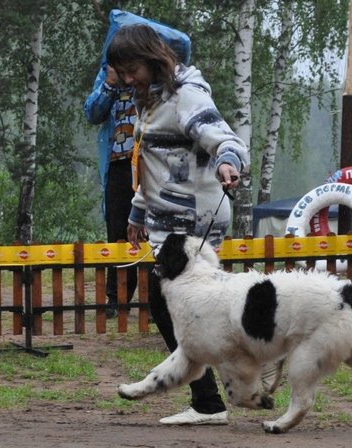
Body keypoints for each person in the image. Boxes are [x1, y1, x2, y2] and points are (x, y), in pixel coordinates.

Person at [105, 23, 250, 426]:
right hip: (168, 218)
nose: (128, 78)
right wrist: (138, 212)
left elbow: (226, 139)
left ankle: (216, 397)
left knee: (173, 306)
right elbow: (151, 160)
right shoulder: (149, 99)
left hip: (193, 220)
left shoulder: (186, 94)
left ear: (153, 58)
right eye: (122, 70)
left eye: (132, 69)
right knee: (187, 309)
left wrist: (228, 161)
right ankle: (221, 391)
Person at [84, 64, 138, 319]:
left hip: (149, 163)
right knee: (117, 231)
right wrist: (110, 82)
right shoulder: (109, 75)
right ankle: (116, 298)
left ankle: (152, 300)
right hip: (117, 164)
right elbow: (93, 113)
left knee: (152, 228)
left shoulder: (149, 73)